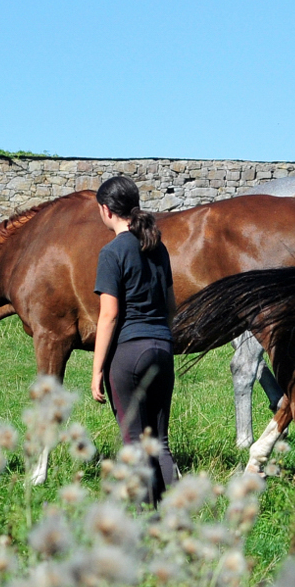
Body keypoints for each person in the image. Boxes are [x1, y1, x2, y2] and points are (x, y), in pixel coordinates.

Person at [91, 176, 178, 504]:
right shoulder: (159, 248)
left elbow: (109, 315)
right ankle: (170, 520)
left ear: (106, 210)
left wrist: (97, 369)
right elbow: (170, 307)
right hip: (162, 349)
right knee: (160, 443)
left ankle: (147, 524)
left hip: (129, 355)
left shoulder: (112, 253)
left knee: (135, 445)